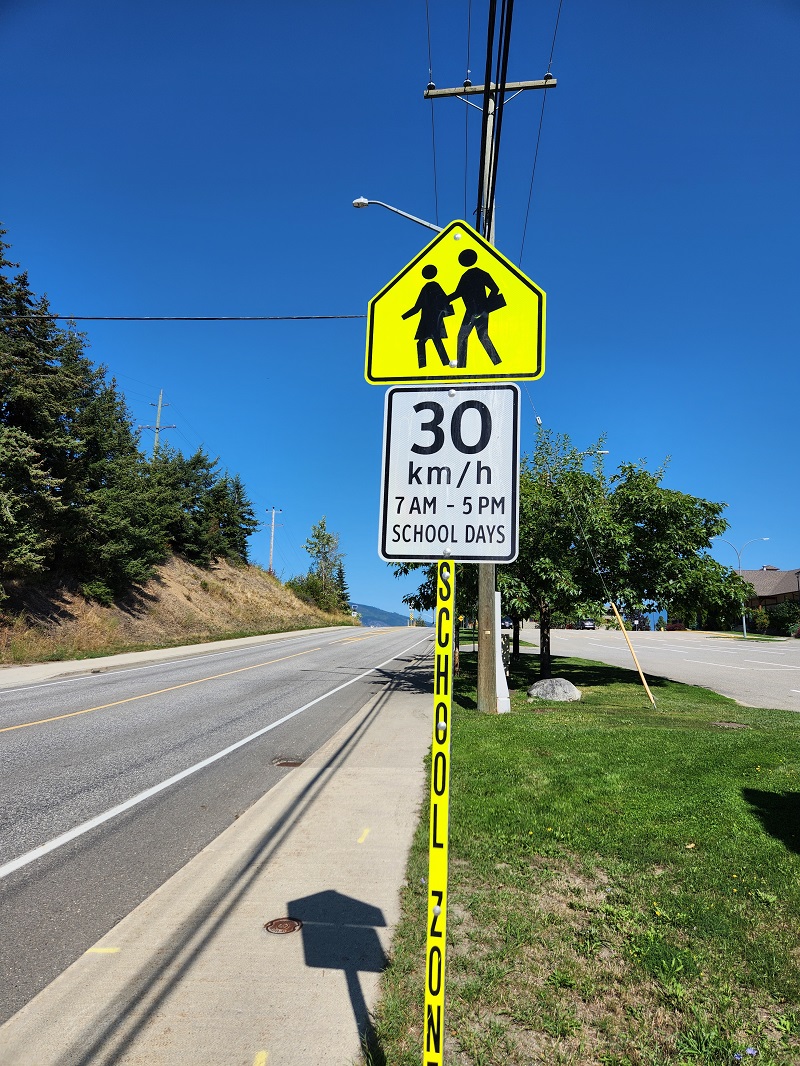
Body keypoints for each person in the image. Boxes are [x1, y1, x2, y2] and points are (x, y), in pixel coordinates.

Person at [447, 249, 504, 368]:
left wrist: (487, 304)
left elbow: (494, 288)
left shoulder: (478, 273)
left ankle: (495, 363)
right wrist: (444, 300)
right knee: (475, 336)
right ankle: (494, 363)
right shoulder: (467, 275)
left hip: (478, 311)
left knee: (475, 336)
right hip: (473, 311)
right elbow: (458, 293)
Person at [401, 265, 453, 368]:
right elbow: (418, 307)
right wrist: (402, 317)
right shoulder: (430, 287)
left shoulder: (430, 287)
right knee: (430, 341)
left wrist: (403, 317)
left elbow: (417, 307)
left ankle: (439, 363)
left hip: (431, 320)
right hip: (430, 320)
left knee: (427, 341)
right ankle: (442, 363)